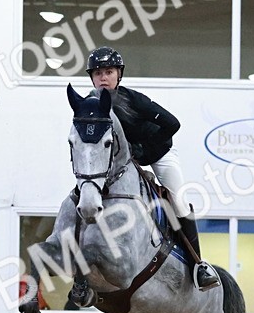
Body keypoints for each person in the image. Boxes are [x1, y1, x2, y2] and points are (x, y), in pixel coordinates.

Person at [85, 46, 219, 290]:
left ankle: (199, 266)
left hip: (158, 152)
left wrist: (144, 151)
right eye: (98, 73)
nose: (103, 77)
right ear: (91, 77)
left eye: (109, 72)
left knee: (178, 201)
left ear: (118, 75)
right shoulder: (89, 104)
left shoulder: (133, 100)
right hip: (122, 163)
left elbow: (173, 124)